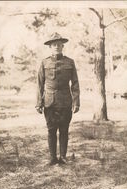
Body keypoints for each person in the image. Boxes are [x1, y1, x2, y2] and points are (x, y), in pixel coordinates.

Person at [35, 32, 80, 165]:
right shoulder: (44, 63)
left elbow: (75, 83)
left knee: (64, 130)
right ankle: (53, 158)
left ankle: (63, 157)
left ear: (62, 46)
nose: (56, 46)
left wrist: (76, 102)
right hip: (49, 102)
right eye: (54, 44)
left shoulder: (70, 62)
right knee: (51, 130)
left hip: (66, 101)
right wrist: (38, 103)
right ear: (50, 46)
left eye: (59, 44)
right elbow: (39, 84)